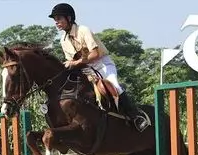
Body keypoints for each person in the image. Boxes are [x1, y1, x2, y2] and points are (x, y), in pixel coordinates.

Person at [48, 3, 150, 132]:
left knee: (115, 86)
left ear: (69, 18)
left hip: (102, 64)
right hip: (85, 68)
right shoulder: (63, 40)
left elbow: (95, 54)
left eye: (59, 19)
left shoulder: (83, 30)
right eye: (55, 20)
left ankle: (136, 117)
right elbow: (71, 61)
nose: (56, 23)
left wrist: (74, 63)